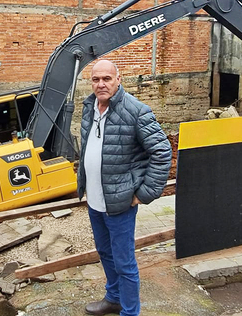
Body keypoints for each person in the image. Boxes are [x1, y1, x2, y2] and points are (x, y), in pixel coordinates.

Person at [78, 59, 172, 316]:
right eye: (96, 79)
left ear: (119, 79)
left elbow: (162, 152)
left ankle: (130, 312)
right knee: (105, 253)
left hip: (120, 202)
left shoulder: (136, 111)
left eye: (106, 79)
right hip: (95, 199)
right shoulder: (89, 107)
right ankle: (114, 298)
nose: (101, 84)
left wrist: (144, 193)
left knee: (124, 262)